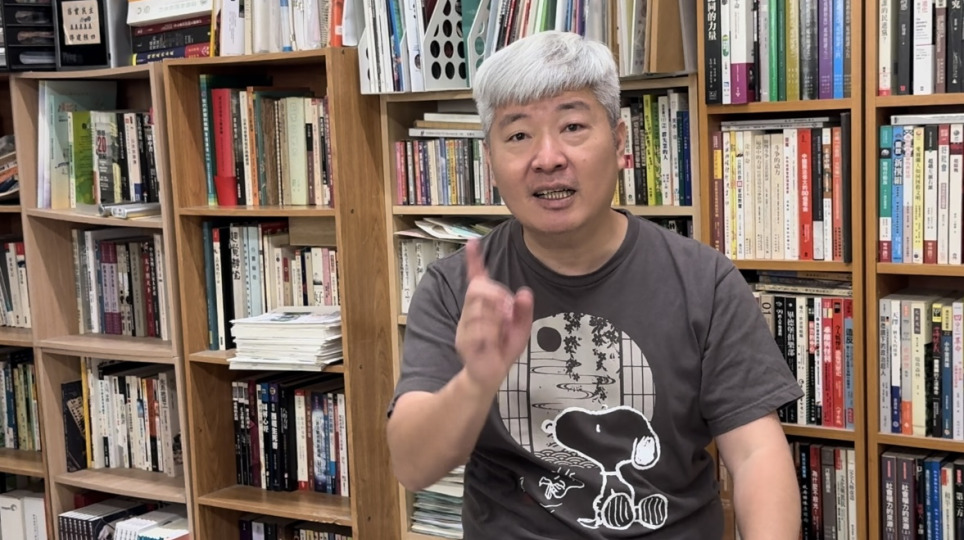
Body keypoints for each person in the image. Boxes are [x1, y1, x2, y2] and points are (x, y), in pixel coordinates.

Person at [386, 30, 804, 539]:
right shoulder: (455, 289)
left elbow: (756, 453)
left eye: (573, 126)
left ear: (620, 141)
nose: (547, 157)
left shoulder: (705, 281)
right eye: (518, 136)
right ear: (490, 161)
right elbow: (412, 466)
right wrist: (476, 381)